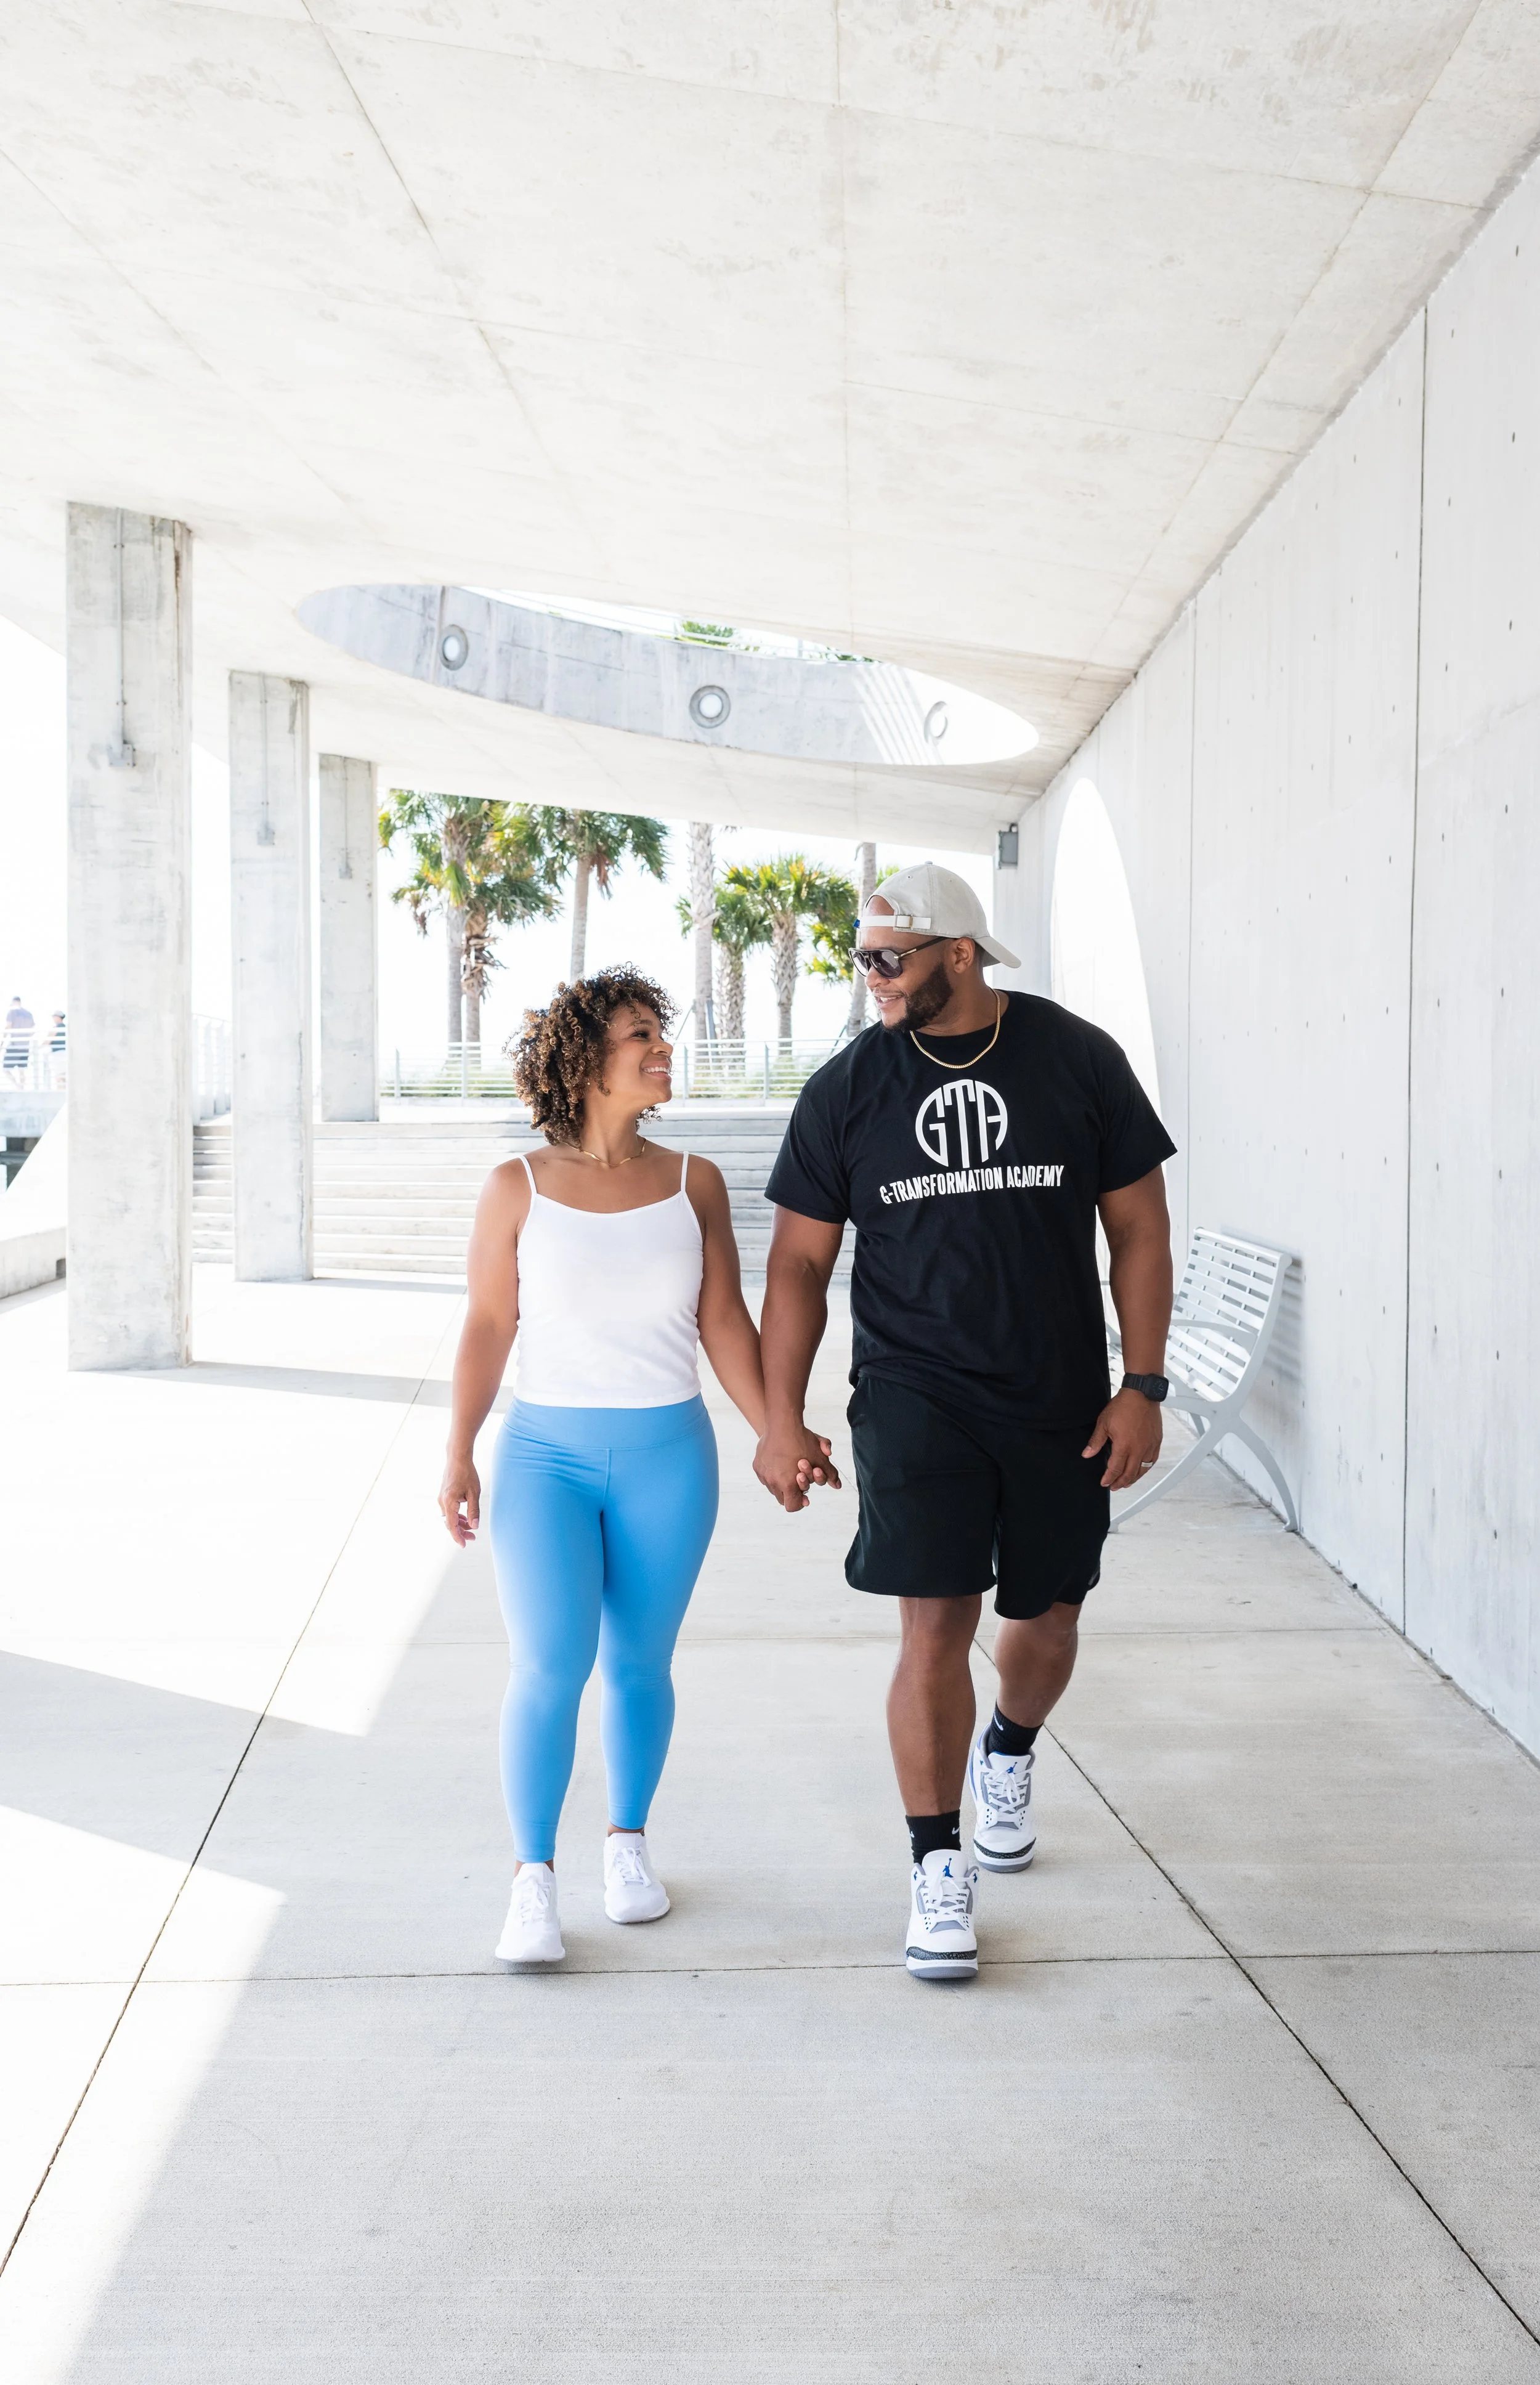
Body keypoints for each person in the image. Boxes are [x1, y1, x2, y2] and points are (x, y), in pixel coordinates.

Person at [756, 863, 1175, 1981]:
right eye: (862, 959)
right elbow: (799, 1260)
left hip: (1059, 1404)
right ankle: (937, 1865)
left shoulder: (1077, 1059)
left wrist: (1144, 1383)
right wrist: (777, 1416)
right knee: (934, 1627)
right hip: (912, 1396)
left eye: (888, 959)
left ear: (959, 953)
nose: (871, 979)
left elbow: (1139, 1228)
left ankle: (1012, 1744)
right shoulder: (848, 1090)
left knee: (1046, 1618)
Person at [439, 969, 833, 1968]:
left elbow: (722, 1323)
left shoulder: (694, 1180)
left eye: (663, 1031)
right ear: (584, 1060)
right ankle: (533, 1880)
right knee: (549, 1666)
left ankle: (627, 1846)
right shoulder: (515, 1187)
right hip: (545, 1460)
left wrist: (775, 1430)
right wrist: (459, 1451)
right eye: (640, 1035)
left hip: (669, 1456)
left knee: (640, 1666)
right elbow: (490, 1325)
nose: (663, 1048)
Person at [3, 996, 33, 1086]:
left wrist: (3, 1040)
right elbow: (33, 1029)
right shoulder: (29, 1013)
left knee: (6, 1068)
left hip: (15, 1044)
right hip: (25, 1045)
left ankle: (17, 1086)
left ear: (14, 1002)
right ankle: (22, 1087)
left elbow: (8, 1025)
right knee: (22, 1069)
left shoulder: (12, 1012)